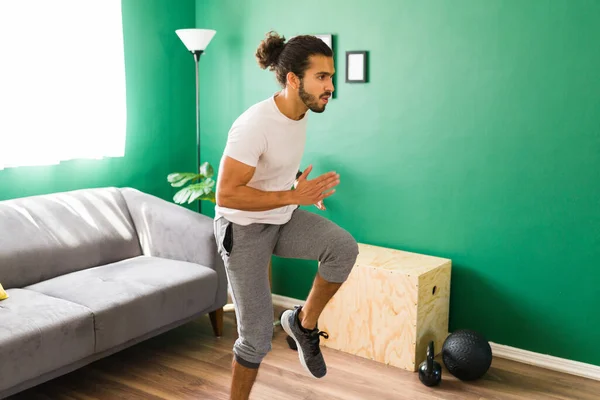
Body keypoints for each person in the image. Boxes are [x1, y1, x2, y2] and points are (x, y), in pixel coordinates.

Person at [213, 30, 359, 400]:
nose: (331, 86)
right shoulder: (253, 124)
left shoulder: (300, 111)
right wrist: (294, 194)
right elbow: (227, 193)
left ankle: (302, 323)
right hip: (242, 229)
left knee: (342, 247)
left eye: (331, 76)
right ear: (294, 79)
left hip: (281, 216)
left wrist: (297, 188)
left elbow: (267, 172)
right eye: (322, 77)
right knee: (256, 338)